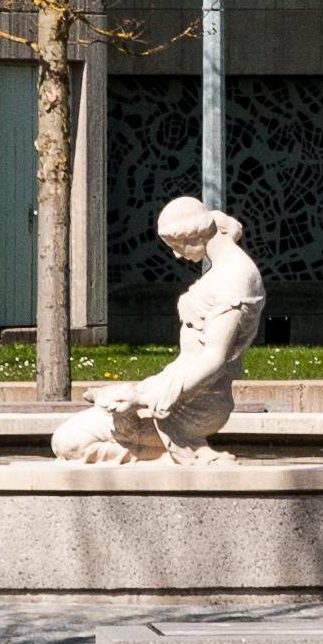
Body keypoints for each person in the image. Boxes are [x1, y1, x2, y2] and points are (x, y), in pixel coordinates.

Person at [50, 195, 263, 466]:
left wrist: (142, 398)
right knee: (65, 441)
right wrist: (136, 391)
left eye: (176, 246)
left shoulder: (235, 278)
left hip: (192, 403)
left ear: (194, 237)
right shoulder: (225, 272)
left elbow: (214, 358)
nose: (176, 254)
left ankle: (172, 452)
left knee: (69, 443)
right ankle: (166, 453)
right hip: (171, 388)